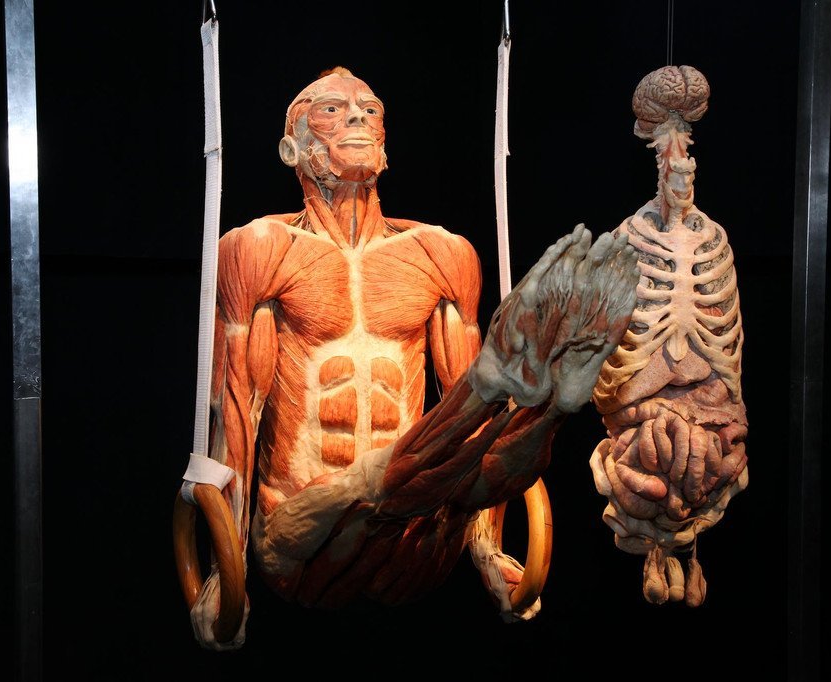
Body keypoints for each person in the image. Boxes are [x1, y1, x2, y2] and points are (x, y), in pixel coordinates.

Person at [181, 67, 639, 649]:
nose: (357, 115)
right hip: (301, 531)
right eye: (331, 109)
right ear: (291, 147)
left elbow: (473, 428)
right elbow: (237, 408)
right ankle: (536, 395)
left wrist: (487, 550)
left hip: (418, 532)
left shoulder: (441, 254)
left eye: (370, 110)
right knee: (438, 443)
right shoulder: (258, 249)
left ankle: (551, 407)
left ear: (385, 141)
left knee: (477, 436)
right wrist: (225, 569)